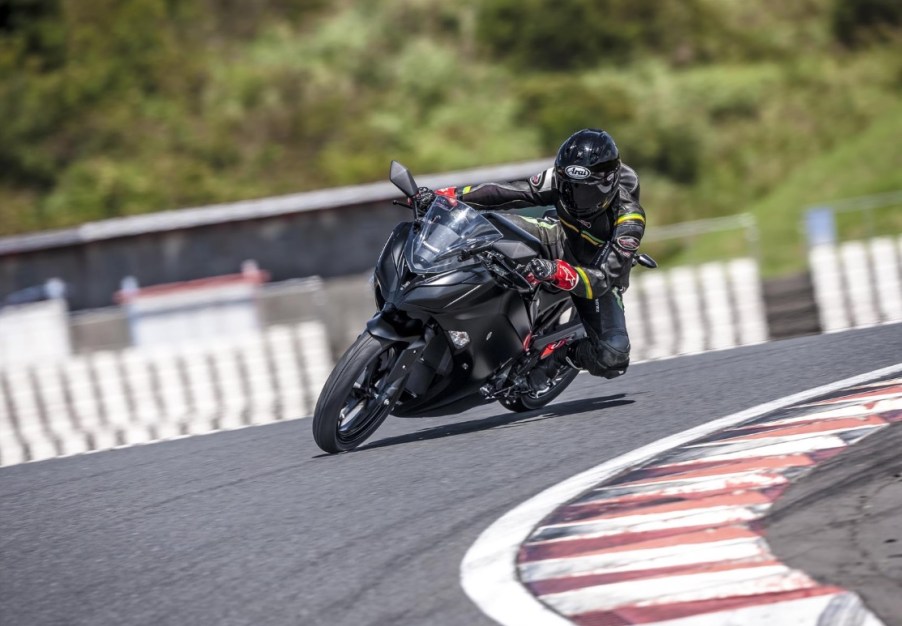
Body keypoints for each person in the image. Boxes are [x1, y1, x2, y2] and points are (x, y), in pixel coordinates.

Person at [413, 128, 646, 382]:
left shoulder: (629, 218)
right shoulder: (557, 179)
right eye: (570, 188)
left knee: (614, 356)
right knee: (488, 225)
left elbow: (603, 278)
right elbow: (507, 192)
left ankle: (562, 357)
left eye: (586, 191)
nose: (576, 198)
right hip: (558, 237)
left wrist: (559, 271)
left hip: (596, 273)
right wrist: (448, 196)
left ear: (608, 183)